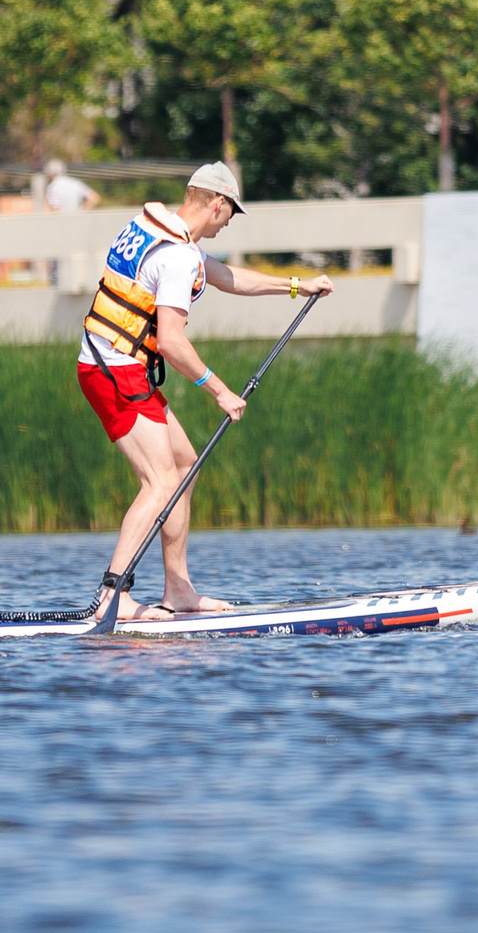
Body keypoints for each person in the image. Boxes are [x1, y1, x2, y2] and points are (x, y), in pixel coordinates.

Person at [76, 161, 328, 622]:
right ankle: (112, 597)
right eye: (231, 211)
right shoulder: (176, 256)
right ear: (217, 203)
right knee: (160, 481)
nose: (229, 221)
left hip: (113, 363)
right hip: (114, 368)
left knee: (184, 466)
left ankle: (179, 591)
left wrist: (297, 285)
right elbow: (171, 342)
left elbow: (225, 276)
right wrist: (220, 392)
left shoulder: (157, 230)